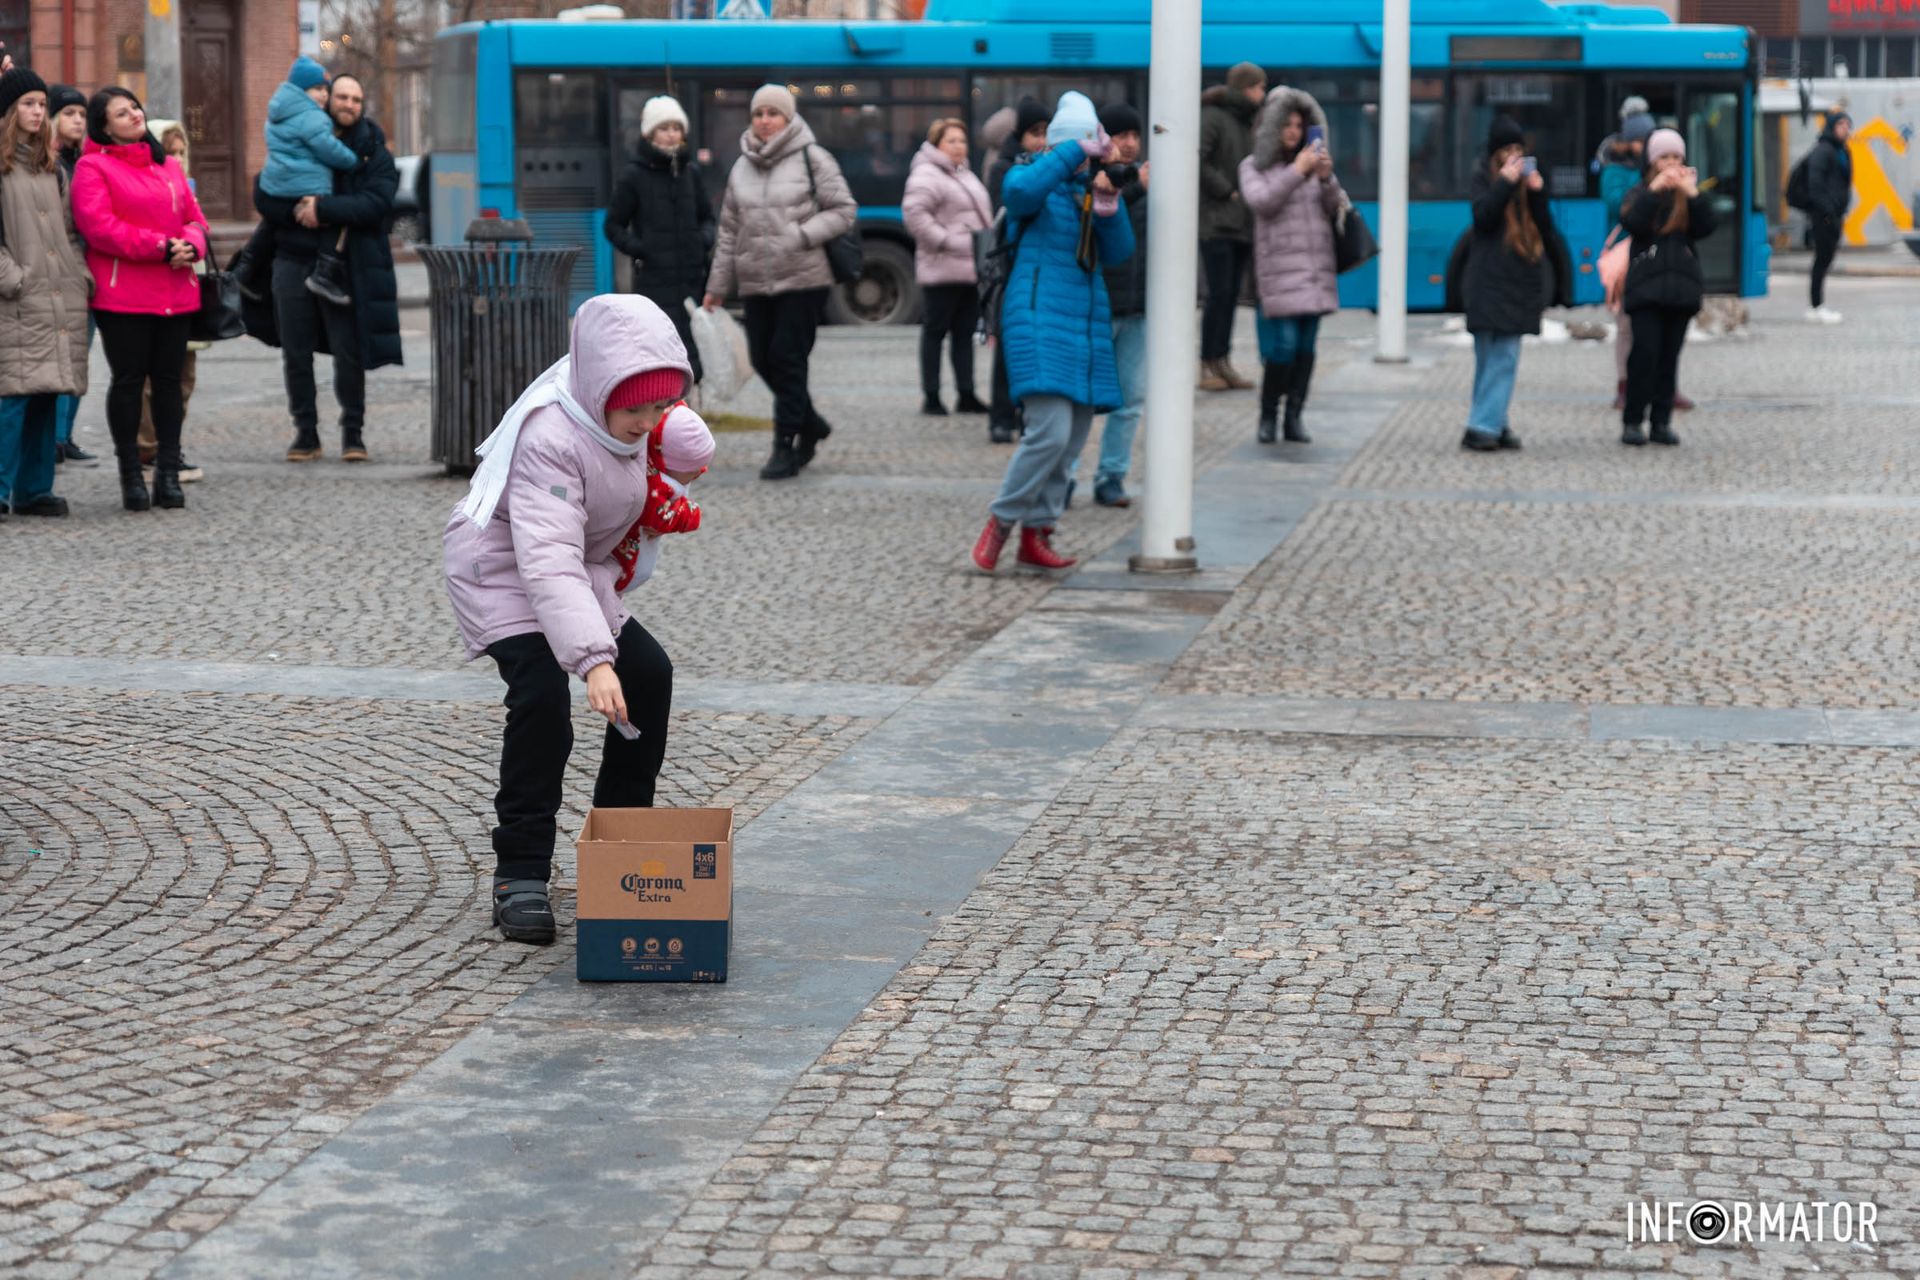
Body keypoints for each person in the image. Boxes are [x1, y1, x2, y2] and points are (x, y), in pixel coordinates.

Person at [442, 293, 707, 945]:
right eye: (635, 409)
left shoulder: (635, 419)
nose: (647, 423)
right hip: (504, 570)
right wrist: (592, 661)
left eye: (659, 408)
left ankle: (619, 852)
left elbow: (578, 556)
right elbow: (547, 562)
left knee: (650, 674)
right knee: (541, 699)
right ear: (598, 390)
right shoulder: (551, 437)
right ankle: (521, 872)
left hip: (570, 570)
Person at [969, 91, 1133, 575]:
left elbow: (1120, 250)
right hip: (1036, 317)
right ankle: (1000, 523)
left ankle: (1036, 534)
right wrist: (1071, 152)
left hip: (1083, 323)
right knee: (1049, 431)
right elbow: (1017, 196)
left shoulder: (1087, 191)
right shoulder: (1029, 177)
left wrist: (1107, 200)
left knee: (1073, 437)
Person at [702, 83, 855, 481]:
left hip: (804, 278)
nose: (765, 121)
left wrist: (802, 235)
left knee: (788, 360)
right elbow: (728, 232)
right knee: (762, 360)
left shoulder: (812, 157)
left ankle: (784, 446)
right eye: (759, 114)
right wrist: (717, 286)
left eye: (774, 113)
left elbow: (843, 210)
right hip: (755, 281)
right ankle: (811, 423)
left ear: (788, 119)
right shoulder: (741, 166)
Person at [250, 73, 400, 463]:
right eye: (342, 96)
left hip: (344, 266)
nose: (348, 104)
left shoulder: (372, 150)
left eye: (355, 98)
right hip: (291, 260)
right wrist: (299, 213)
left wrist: (322, 209)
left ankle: (353, 434)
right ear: (327, 99)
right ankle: (306, 434)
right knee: (295, 353)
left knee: (348, 353)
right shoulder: (303, 136)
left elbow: (377, 204)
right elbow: (264, 194)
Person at [72, 86, 207, 512]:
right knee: (129, 383)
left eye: (134, 107)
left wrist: (192, 244)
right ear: (104, 127)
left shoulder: (166, 165)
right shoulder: (93, 167)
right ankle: (130, 473)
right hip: (123, 295)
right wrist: (161, 246)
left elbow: (194, 216)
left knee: (169, 383)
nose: (134, 114)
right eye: (121, 112)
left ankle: (167, 472)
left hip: (175, 288)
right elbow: (99, 228)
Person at [0, 68, 91, 519]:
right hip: (14, 298)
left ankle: (34, 490)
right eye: (28, 104)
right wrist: (12, 278)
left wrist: (79, 276)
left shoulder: (50, 169)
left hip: (56, 296)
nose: (38, 112)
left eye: (41, 104)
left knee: (45, 394)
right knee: (10, 398)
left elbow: (71, 233)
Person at [1452, 116, 1568, 453]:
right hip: (1486, 282)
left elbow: (1547, 231)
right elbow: (1483, 219)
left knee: (1503, 356)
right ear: (1495, 155)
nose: (1514, 156)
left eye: (1519, 149)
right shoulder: (1483, 180)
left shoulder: (1527, 188)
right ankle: (1485, 425)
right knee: (1491, 357)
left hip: (1516, 283)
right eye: (1507, 150)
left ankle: (1490, 423)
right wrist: (1504, 183)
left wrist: (1537, 192)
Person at [1240, 84, 1343, 446]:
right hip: (1280, 273)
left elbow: (1335, 209)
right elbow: (1262, 201)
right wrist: (1298, 172)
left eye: (1299, 126)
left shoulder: (1313, 164)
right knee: (1282, 347)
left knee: (1306, 348)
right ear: (1270, 126)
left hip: (1315, 271)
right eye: (1287, 125)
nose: (1294, 133)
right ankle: (1269, 413)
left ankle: (1294, 416)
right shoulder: (1253, 167)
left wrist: (1327, 178)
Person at [604, 94, 714, 386]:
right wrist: (642, 250)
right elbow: (613, 226)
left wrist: (703, 240)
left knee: (693, 351)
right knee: (660, 349)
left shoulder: (691, 172)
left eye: (676, 128)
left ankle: (688, 417)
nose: (671, 134)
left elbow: (707, 217)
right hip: (654, 279)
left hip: (692, 276)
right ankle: (662, 414)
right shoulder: (633, 175)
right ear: (650, 133)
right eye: (664, 128)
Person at [1617, 129, 1715, 448]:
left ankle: (1661, 421)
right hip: (1646, 289)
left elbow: (1707, 227)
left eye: (1676, 157)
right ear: (1652, 162)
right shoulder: (1640, 193)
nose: (1671, 163)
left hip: (1680, 289)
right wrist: (1654, 191)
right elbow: (1632, 224)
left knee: (1669, 358)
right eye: (1664, 158)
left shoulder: (1687, 195)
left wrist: (1693, 194)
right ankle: (1633, 420)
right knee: (1644, 354)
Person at [902, 116, 990, 417]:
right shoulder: (927, 174)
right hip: (943, 268)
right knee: (935, 332)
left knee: (964, 333)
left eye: (962, 141)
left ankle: (966, 393)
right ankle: (932, 396)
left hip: (969, 268)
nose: (958, 146)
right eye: (951, 141)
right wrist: (947, 241)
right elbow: (915, 215)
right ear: (936, 143)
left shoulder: (963, 173)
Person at [261, 56, 359, 307]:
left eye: (326, 90)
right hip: (307, 184)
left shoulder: (279, 113)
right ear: (301, 90)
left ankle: (247, 263)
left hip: (278, 182)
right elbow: (328, 149)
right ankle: (325, 273)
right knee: (334, 222)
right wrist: (352, 160)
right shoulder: (312, 117)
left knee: (267, 228)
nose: (323, 96)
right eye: (318, 89)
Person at [1088, 101, 1148, 507]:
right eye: (1120, 135)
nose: (1128, 144)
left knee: (1130, 400)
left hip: (1138, 306)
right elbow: (1100, 216)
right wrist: (1137, 188)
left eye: (1134, 136)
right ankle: (1062, 476)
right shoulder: (1090, 177)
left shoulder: (1148, 178)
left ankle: (1112, 475)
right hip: (1097, 303)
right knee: (1078, 401)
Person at [1197, 61, 1265, 393]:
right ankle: (1208, 362)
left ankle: (1222, 361)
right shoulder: (1214, 117)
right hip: (1217, 222)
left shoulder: (1246, 122)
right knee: (1219, 294)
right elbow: (1199, 160)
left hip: (1239, 221)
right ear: (1244, 87)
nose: (1261, 93)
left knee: (1229, 296)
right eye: (1258, 86)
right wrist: (1228, 190)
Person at [985, 97, 1049, 445]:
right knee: (1009, 346)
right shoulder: (1004, 168)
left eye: (1045, 133)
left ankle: (1028, 415)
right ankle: (1001, 415)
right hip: (1012, 269)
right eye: (1034, 133)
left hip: (1043, 270)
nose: (1040, 140)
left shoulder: (1053, 166)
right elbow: (1004, 215)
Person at [46, 81, 95, 466]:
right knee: (58, 360)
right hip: (58, 271)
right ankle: (55, 438)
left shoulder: (84, 161)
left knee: (79, 357)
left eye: (82, 114)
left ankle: (66, 436)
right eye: (69, 114)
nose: (78, 120)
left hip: (86, 270)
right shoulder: (50, 164)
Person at [1600, 108, 1655, 411]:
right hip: (1624, 256)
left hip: (1651, 253)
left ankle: (1660, 386)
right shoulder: (1615, 171)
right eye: (1642, 139)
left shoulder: (1653, 169)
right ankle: (1625, 386)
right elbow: (1618, 205)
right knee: (1626, 327)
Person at [1805, 111, 1852, 325]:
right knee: (1821, 260)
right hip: (1824, 215)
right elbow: (1815, 185)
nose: (1845, 129)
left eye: (1847, 125)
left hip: (1834, 214)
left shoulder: (1841, 150)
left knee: (1825, 259)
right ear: (1832, 126)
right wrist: (1828, 211)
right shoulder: (1823, 150)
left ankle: (1817, 305)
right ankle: (1816, 305)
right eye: (1841, 125)